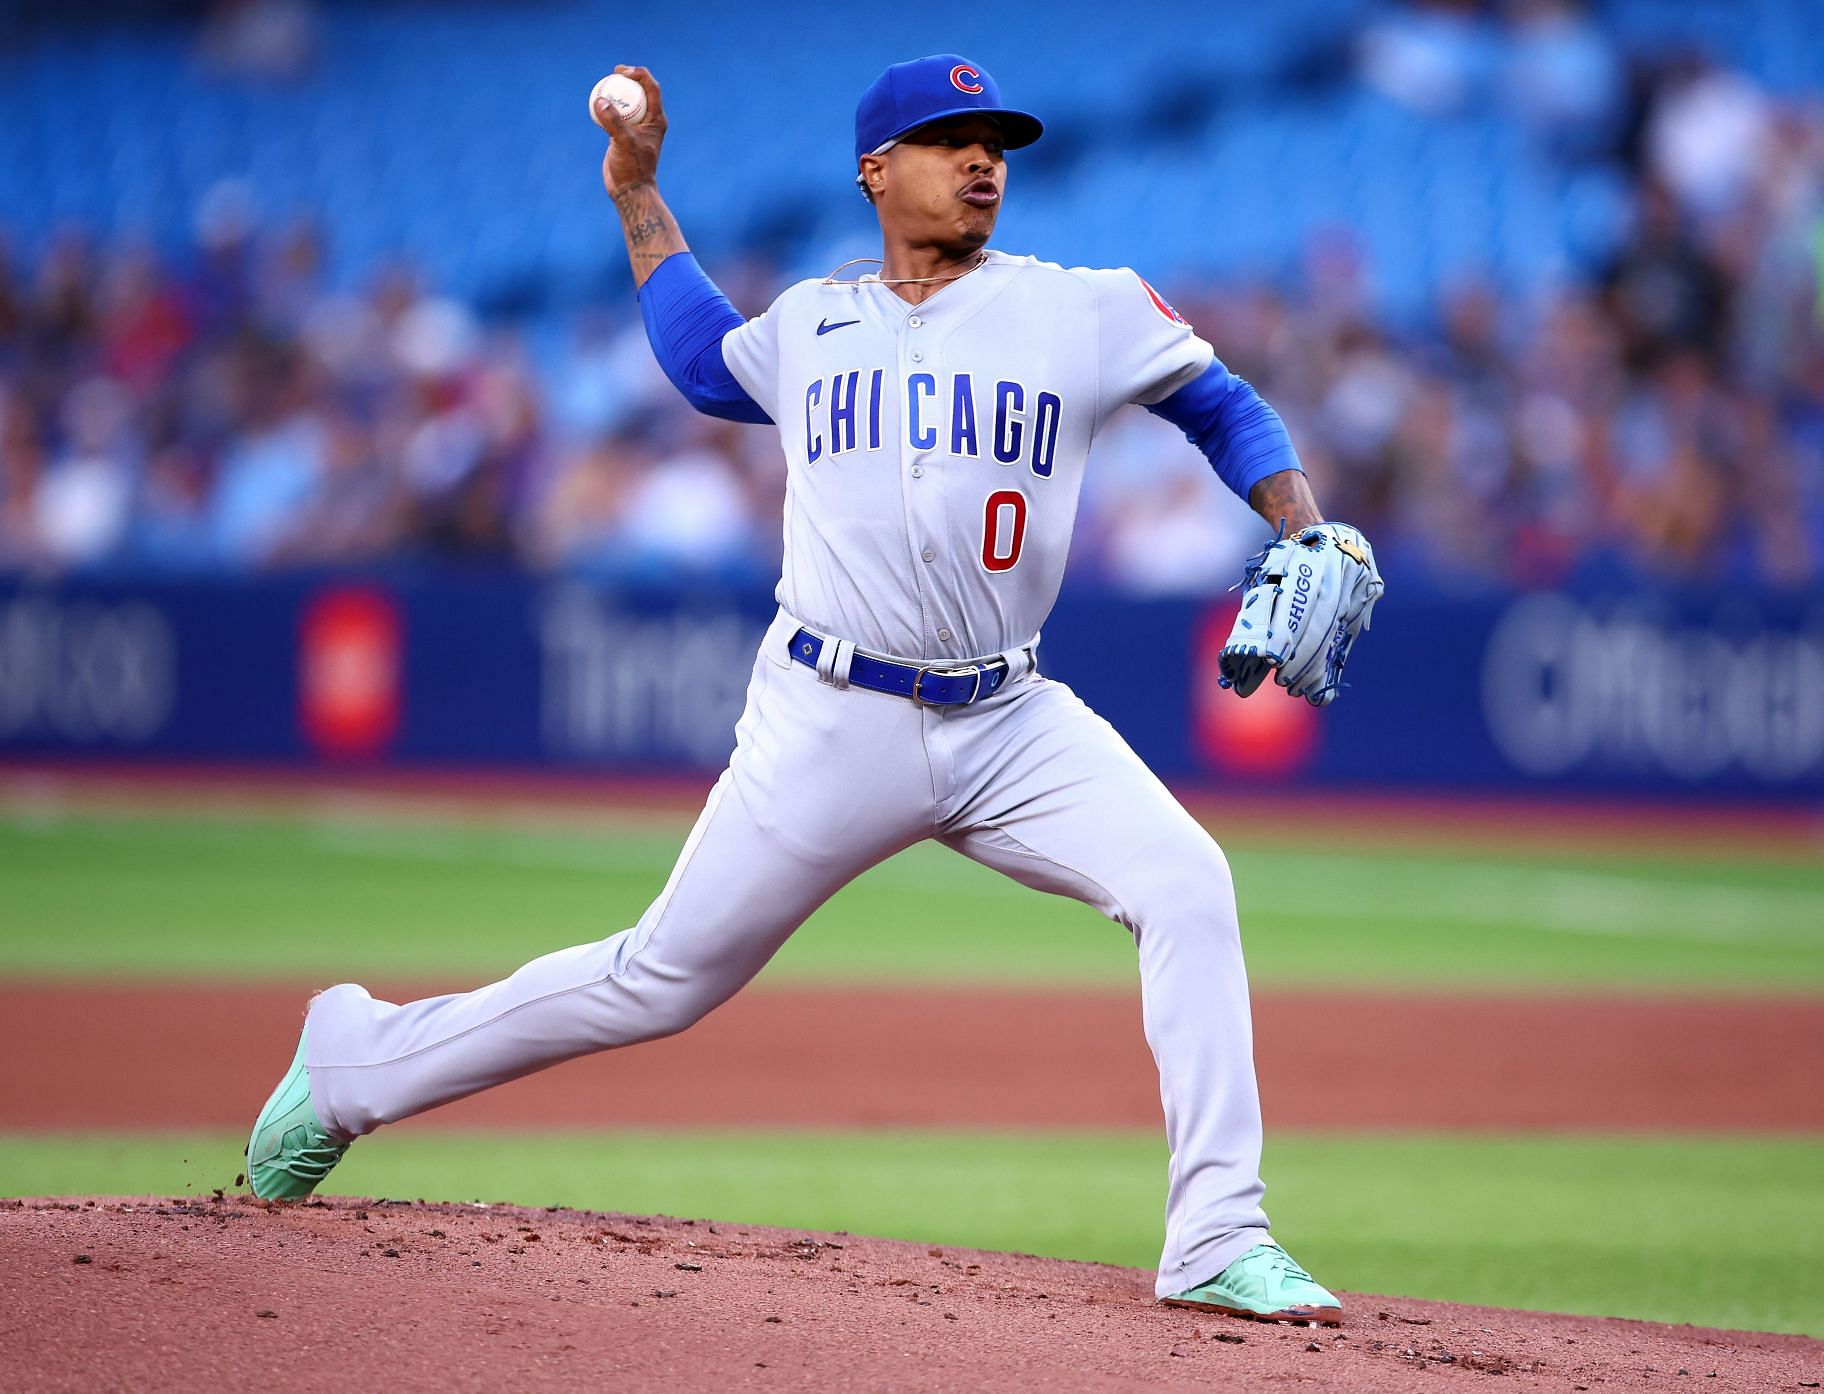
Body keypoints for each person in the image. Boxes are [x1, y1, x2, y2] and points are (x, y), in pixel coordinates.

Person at [247, 55, 1382, 1326]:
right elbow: (693, 356)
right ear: (873, 171)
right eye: (949, 138)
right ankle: (352, 1063)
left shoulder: (1087, 307)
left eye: (995, 140)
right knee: (659, 977)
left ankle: (1219, 1232)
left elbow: (1223, 408)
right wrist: (637, 191)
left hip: (1011, 716)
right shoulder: (810, 321)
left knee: (1188, 881)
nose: (982, 159)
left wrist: (1304, 522)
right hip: (829, 715)